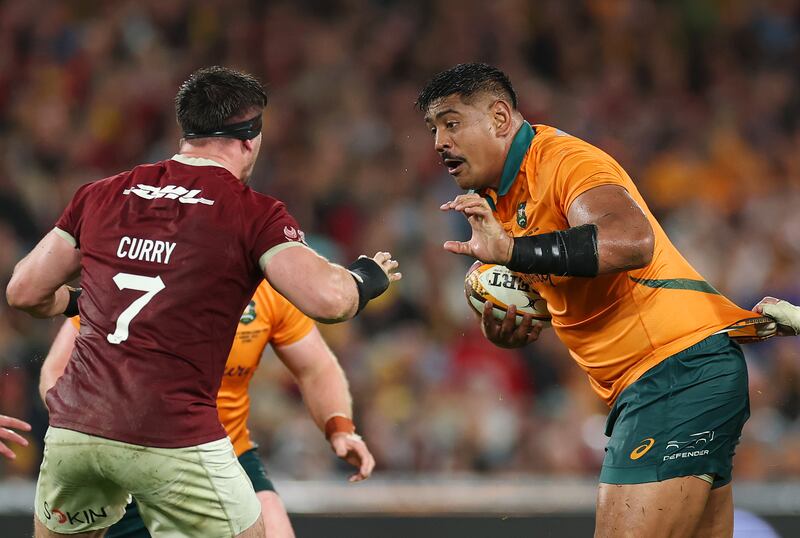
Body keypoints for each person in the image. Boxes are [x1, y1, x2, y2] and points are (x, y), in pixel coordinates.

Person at [6, 66, 400, 538]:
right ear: (251, 139)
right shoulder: (251, 212)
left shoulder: (103, 193)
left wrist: (73, 301)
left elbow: (23, 292)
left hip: (78, 430)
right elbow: (330, 300)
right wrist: (368, 277)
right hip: (172, 436)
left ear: (185, 131)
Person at [419, 63, 766, 538]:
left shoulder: (564, 161)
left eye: (451, 123)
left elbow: (630, 240)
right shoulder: (496, 197)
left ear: (500, 118)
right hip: (667, 378)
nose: (439, 141)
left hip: (676, 369)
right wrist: (510, 326)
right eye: (433, 128)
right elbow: (565, 287)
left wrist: (514, 252)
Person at [40, 278, 372, 538]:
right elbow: (56, 371)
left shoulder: (269, 290)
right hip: (129, 456)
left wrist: (339, 427)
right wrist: (86, 428)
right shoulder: (141, 274)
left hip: (226, 453)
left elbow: (316, 367)